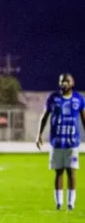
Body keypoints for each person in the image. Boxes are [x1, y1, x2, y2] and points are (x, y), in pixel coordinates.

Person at [36, 73, 85, 210]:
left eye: (67, 81)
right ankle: (59, 203)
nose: (64, 83)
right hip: (57, 142)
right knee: (58, 172)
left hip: (72, 142)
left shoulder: (79, 99)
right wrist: (38, 134)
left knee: (72, 172)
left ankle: (71, 203)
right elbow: (45, 116)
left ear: (72, 83)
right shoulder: (53, 98)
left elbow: (84, 119)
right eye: (62, 81)